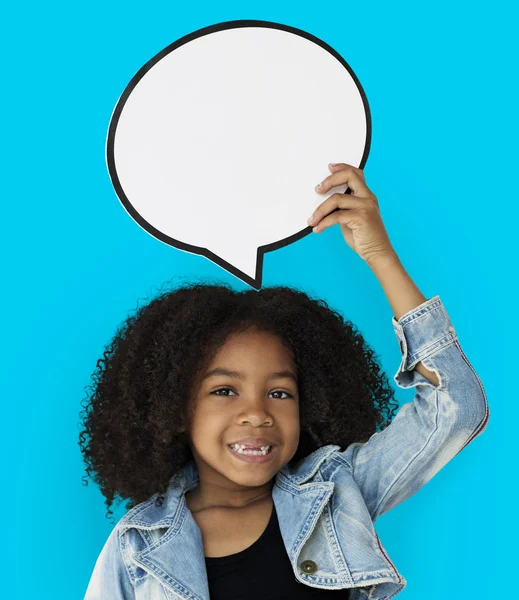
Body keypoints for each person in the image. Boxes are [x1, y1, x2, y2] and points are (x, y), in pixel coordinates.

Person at [80, 163, 489, 599]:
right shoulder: (138, 545)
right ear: (176, 411)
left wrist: (379, 255)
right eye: (224, 390)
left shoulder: (335, 495)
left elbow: (457, 409)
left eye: (279, 392)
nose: (256, 414)